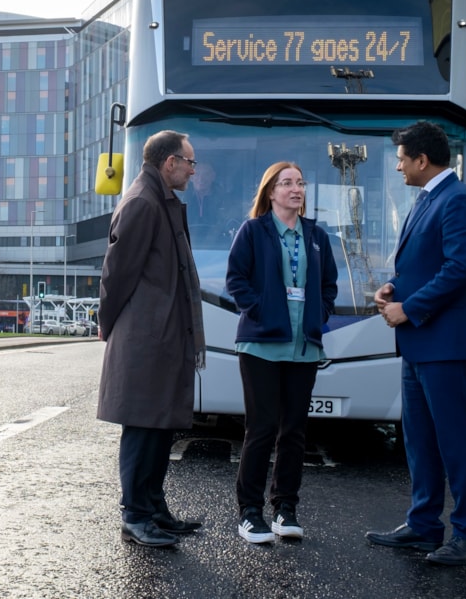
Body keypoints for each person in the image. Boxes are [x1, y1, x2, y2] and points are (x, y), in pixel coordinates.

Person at [365, 120, 466, 567]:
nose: (398, 166)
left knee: (457, 443)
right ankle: (423, 525)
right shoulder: (428, 199)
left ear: (422, 160)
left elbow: (460, 270)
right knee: (419, 440)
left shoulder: (460, 201)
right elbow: (426, 263)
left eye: (402, 159)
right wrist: (393, 287)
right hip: (422, 342)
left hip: (448, 343)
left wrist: (409, 307)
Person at [97, 130, 207, 548]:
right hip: (145, 337)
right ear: (169, 163)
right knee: (143, 428)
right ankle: (136, 515)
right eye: (190, 162)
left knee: (160, 427)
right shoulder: (143, 202)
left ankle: (154, 509)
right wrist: (109, 325)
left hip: (161, 334)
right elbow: (115, 274)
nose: (193, 170)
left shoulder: (160, 199)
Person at [225, 162, 337, 544]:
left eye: (300, 183)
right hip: (260, 345)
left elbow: (328, 286)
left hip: (303, 348)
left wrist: (318, 317)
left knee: (294, 432)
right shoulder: (253, 231)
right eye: (286, 183)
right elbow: (236, 279)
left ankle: (285, 509)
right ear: (270, 192)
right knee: (262, 428)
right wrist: (260, 310)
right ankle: (250, 513)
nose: (296, 189)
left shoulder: (316, 235)